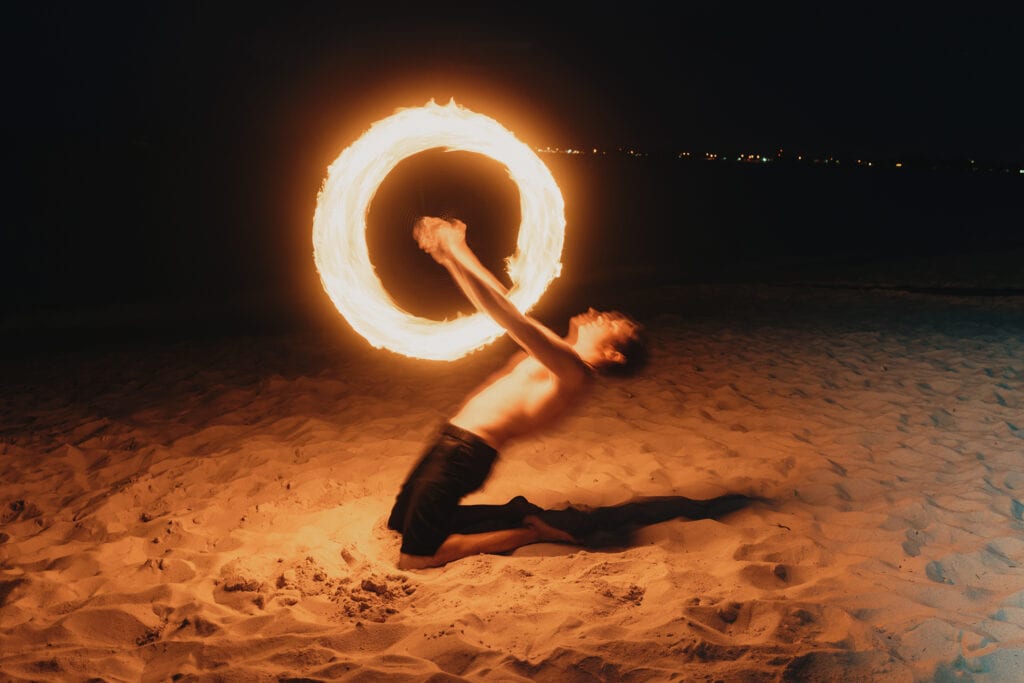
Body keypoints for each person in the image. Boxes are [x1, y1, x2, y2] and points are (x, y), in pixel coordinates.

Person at [387, 217, 746, 569]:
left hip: (463, 454)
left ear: (613, 354)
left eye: (608, 322)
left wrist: (456, 247)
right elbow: (496, 302)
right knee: (399, 523)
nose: (595, 313)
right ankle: (518, 515)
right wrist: (450, 255)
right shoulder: (561, 356)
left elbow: (503, 311)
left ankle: (528, 533)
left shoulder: (571, 370)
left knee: (416, 556)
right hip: (450, 442)